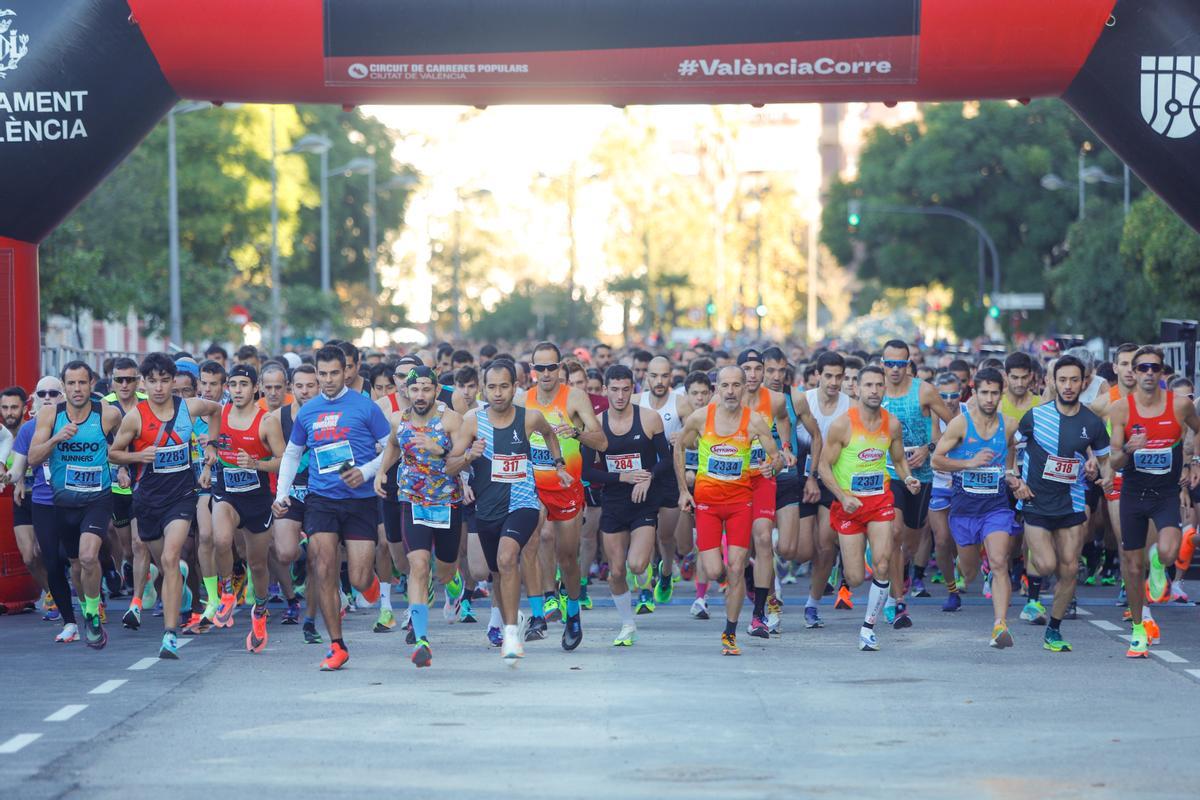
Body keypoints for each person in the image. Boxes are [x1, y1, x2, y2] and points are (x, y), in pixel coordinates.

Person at [272, 345, 391, 671]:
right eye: (321, 374)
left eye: (333, 373)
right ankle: (336, 645)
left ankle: (369, 583)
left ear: (347, 372)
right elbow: (293, 454)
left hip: (361, 501)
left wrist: (366, 472)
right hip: (321, 499)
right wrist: (282, 494)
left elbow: (391, 448)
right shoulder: (308, 412)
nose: (327, 380)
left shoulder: (365, 408)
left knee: (359, 576)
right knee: (322, 566)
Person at [447, 360, 573, 665]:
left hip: (523, 504)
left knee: (507, 558)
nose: (498, 393)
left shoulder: (529, 418)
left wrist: (559, 466)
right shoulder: (473, 422)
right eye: (492, 387)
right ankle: (511, 617)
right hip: (487, 510)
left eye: (504, 386)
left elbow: (551, 434)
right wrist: (468, 457)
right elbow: (449, 465)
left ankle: (512, 634)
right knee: (495, 572)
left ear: (515, 387)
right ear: (483, 388)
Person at [108, 353, 222, 659]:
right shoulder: (135, 417)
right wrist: (137, 457)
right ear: (144, 383)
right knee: (164, 563)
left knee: (171, 558)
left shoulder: (188, 407)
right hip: (147, 500)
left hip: (182, 496)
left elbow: (216, 410)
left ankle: (169, 635)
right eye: (152, 381)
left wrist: (212, 444)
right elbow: (114, 454)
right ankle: (175, 589)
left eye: (164, 380)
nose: (159, 387)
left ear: (173, 381)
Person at [675, 366, 781, 656]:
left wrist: (776, 464)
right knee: (714, 569)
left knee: (735, 568)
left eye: (737, 385)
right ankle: (732, 582)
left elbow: (777, 457)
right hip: (707, 504)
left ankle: (730, 633)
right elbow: (679, 447)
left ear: (744, 388)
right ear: (716, 389)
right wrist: (684, 490)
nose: (732, 391)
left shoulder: (755, 421)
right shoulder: (701, 418)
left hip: (739, 504)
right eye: (726, 385)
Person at [818, 365, 922, 651]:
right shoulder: (843, 425)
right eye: (869, 386)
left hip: (879, 501)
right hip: (849, 506)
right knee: (855, 577)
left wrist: (908, 477)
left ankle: (868, 628)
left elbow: (899, 459)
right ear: (858, 389)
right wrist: (841, 495)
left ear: (884, 388)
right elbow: (823, 466)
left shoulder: (892, 424)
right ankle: (847, 571)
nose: (874, 391)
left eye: (879, 385)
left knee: (883, 564)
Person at [1105, 346, 1200, 657]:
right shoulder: (1121, 409)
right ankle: (1137, 628)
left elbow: (1198, 431)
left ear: (1162, 373)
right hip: (1133, 492)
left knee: (1170, 551)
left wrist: (1194, 461)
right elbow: (1115, 463)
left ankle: (1159, 563)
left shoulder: (1180, 406)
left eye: (1154, 368)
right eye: (1142, 367)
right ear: (1132, 371)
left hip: (1165, 493)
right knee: (1131, 567)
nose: (1147, 373)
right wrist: (1129, 449)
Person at [1016, 354, 1113, 653]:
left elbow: (1104, 456)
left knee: (1069, 570)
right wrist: (1014, 479)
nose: (1068, 386)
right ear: (1052, 382)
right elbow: (1011, 445)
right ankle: (1041, 588)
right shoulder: (1035, 416)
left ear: (1083, 383)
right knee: (1045, 564)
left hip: (1071, 501)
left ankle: (1054, 630)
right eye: (1062, 380)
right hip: (1036, 500)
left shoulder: (1091, 422)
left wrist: (1103, 473)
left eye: (1074, 380)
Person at [374, 366, 468, 667]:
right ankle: (422, 638)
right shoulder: (398, 421)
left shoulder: (450, 420)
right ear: (406, 392)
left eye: (426, 389)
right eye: (414, 389)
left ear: (436, 391)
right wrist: (380, 472)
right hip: (412, 500)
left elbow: (463, 458)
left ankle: (455, 587)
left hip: (447, 501)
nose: (420, 395)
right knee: (418, 564)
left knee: (445, 571)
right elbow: (392, 445)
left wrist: (439, 449)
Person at [27, 365, 122, 648]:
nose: (77, 388)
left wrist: (124, 469)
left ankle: (92, 615)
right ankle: (87, 605)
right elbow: (33, 458)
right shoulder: (49, 415)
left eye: (82, 382)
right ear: (64, 386)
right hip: (64, 502)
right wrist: (56, 439)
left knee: (89, 556)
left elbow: (123, 446)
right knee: (77, 566)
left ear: (91, 384)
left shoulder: (108, 414)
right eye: (71, 383)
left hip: (98, 498)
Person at [932, 367, 1027, 647]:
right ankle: (976, 567)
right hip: (964, 508)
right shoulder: (960, 425)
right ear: (973, 394)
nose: (988, 398)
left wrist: (1012, 475)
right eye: (983, 392)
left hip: (995, 506)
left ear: (1001, 394)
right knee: (969, 570)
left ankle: (1000, 625)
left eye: (994, 393)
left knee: (999, 562)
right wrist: (968, 463)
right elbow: (936, 461)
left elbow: (1011, 449)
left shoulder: (1009, 424)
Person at [524, 342, 606, 646]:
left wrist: (578, 433)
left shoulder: (575, 398)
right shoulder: (523, 400)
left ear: (561, 368)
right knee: (538, 539)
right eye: (539, 368)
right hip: (533, 488)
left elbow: (602, 443)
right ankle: (544, 603)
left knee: (568, 558)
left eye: (551, 367)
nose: (545, 373)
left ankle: (572, 613)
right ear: (532, 370)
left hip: (567, 487)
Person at [585, 365, 673, 646]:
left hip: (643, 500)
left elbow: (667, 459)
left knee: (636, 565)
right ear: (605, 390)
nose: (620, 396)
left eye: (626, 389)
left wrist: (648, 477)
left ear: (633, 389)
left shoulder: (649, 419)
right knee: (617, 571)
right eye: (614, 390)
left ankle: (646, 569)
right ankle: (627, 624)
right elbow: (586, 472)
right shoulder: (595, 424)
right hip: (613, 501)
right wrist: (621, 476)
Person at [208, 365, 285, 653]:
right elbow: (213, 443)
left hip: (256, 498)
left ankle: (260, 610)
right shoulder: (219, 412)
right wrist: (211, 452)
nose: (237, 390)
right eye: (233, 384)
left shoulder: (266, 421)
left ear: (256, 389)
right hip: (226, 492)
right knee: (221, 540)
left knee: (257, 564)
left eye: (244, 384)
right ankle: (227, 592)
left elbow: (283, 459)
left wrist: (257, 464)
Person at [878, 340, 954, 628]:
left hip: (921, 478)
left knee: (908, 544)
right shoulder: (876, 390)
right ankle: (897, 602)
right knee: (894, 535)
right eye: (889, 363)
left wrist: (930, 447)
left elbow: (954, 425)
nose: (895, 370)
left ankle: (902, 571)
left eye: (901, 364)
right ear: (882, 363)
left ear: (909, 365)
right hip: (888, 473)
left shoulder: (923, 390)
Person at [736, 348, 795, 638]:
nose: (753, 374)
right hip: (731, 482)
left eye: (757, 368)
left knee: (762, 538)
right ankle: (752, 576)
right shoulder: (722, 400)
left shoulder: (775, 399)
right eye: (746, 368)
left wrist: (783, 449)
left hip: (763, 477)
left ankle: (761, 611)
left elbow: (783, 419)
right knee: (733, 557)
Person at [262, 364, 321, 639]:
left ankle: (310, 619)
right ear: (291, 388)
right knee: (285, 552)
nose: (305, 391)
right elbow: (278, 458)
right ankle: (300, 558)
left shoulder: (329, 414)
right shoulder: (276, 418)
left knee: (319, 559)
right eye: (300, 386)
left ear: (319, 386)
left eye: (310, 385)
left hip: (323, 492)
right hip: (291, 492)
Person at [638, 356, 694, 609]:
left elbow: (699, 438)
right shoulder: (634, 401)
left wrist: (684, 436)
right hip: (643, 475)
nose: (659, 382)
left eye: (664, 376)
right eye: (654, 376)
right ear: (646, 377)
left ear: (671, 376)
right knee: (644, 533)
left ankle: (667, 572)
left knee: (666, 535)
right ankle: (645, 590)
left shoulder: (681, 403)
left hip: (671, 474)